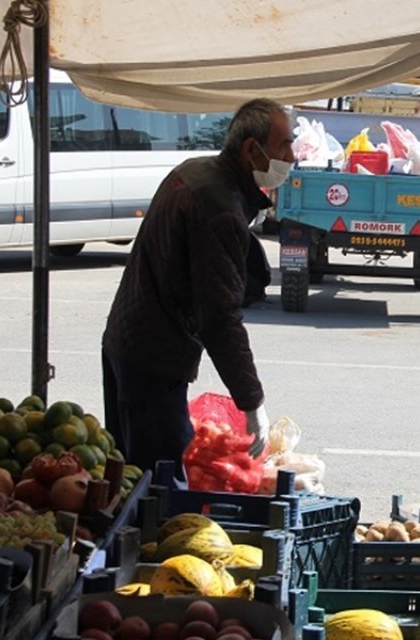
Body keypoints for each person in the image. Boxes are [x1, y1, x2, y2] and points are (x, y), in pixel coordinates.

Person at [101, 98, 292, 478]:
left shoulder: (194, 171)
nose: (292, 155)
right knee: (160, 491)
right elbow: (219, 317)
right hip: (154, 358)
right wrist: (251, 404)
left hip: (125, 341)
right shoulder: (219, 208)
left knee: (129, 477)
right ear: (251, 150)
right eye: (284, 145)